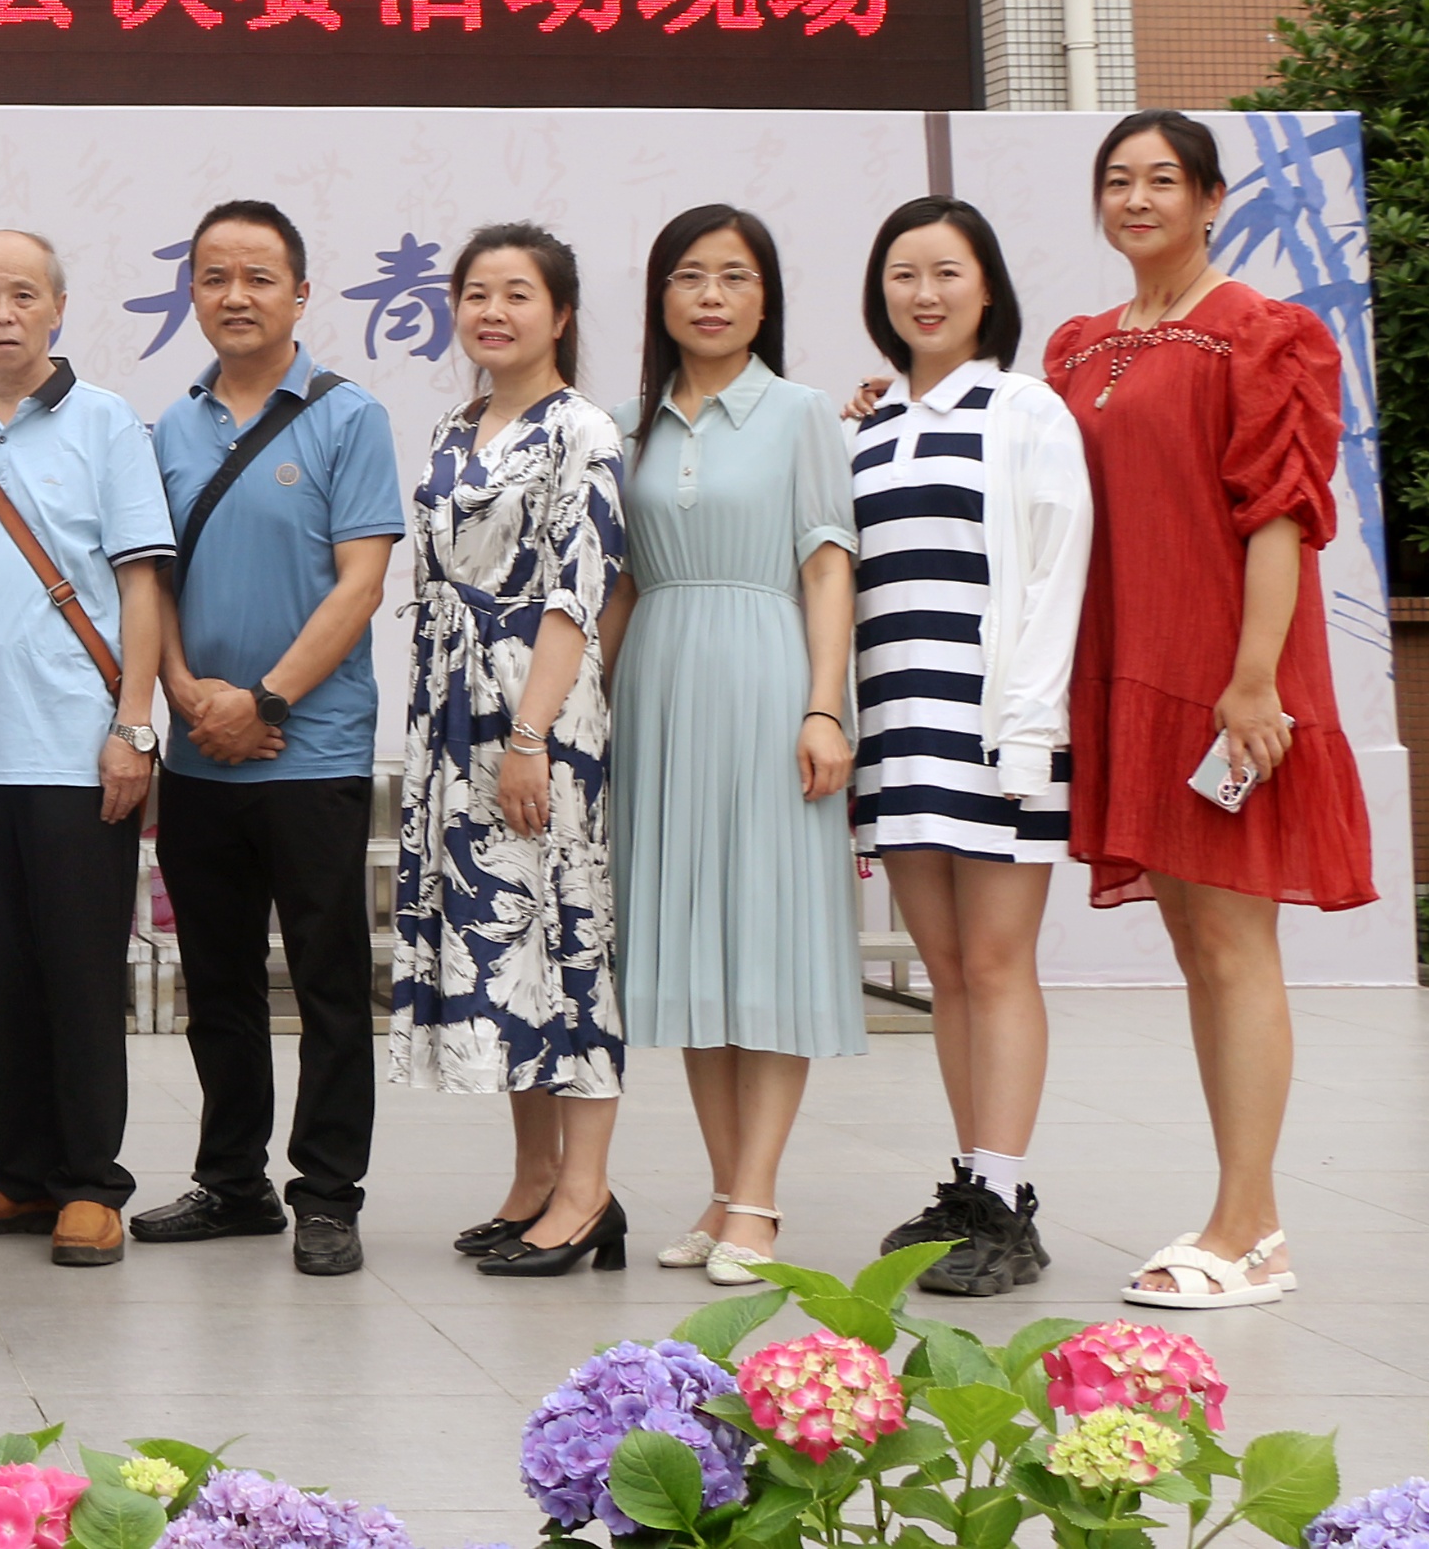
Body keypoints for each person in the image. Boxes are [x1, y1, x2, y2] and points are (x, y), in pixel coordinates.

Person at [1042, 111, 1374, 1311]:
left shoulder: (1261, 332)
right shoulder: (1076, 347)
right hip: (1126, 667)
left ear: (1210, 197)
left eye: (1161, 179)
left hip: (1227, 674)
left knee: (1234, 945)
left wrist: (1251, 679)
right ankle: (1247, 1216)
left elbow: (1279, 513)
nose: (1136, 198)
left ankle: (1246, 1225)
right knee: (1195, 944)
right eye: (1116, 180)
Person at [139, 200, 405, 1280]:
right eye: (212, 276)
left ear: (300, 292)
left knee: (330, 980)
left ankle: (327, 1193)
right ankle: (231, 1180)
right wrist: (182, 690)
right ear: (190, 293)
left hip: (312, 749)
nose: (234, 294)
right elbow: (145, 579)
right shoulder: (169, 425)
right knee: (217, 978)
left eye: (257, 275)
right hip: (198, 747)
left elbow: (363, 578)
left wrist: (268, 699)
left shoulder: (348, 417)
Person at [0, 228, 173, 1270]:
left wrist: (132, 723)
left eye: (23, 294)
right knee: (1, 970)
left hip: (77, 743)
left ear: (57, 307)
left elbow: (140, 582)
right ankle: (18, 1171)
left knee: (75, 968)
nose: (3, 312)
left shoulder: (106, 425)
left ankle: (89, 1181)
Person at [837, 196, 1090, 1300]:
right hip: (898, 730)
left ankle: (1004, 1195)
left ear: (985, 286)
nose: (923, 292)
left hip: (995, 734)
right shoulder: (860, 426)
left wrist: (1028, 733)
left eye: (945, 271)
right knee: (943, 973)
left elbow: (1052, 577)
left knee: (995, 965)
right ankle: (966, 1181)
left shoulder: (1025, 409)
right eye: (902, 273)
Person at [608, 205, 862, 1288]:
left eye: (733, 276)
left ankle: (757, 1194)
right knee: (689, 945)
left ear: (764, 298)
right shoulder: (631, 425)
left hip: (764, 678)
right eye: (687, 276)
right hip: (657, 682)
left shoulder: (803, 412)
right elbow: (617, 582)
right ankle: (722, 1189)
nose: (708, 295)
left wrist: (822, 705)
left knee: (764, 937)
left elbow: (825, 565)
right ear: (659, 298)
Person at [384, 222, 631, 1279]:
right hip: (450, 714)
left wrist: (530, 733)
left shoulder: (582, 429)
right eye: (475, 292)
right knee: (498, 948)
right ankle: (532, 1178)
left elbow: (583, 585)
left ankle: (586, 1192)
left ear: (559, 312)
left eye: (516, 293)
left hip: (536, 712)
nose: (492, 310)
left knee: (563, 932)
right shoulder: (453, 423)